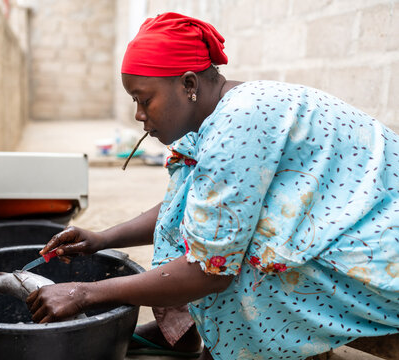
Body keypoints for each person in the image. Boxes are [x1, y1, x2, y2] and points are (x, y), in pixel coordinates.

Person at [26, 12, 399, 360]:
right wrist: (103, 239)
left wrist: (85, 293)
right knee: (211, 235)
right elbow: (197, 206)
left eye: (144, 100)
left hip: (383, 256)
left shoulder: (240, 122)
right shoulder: (219, 116)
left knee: (238, 265)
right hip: (362, 232)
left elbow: (210, 272)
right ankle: (185, 331)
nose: (139, 115)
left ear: (188, 84)